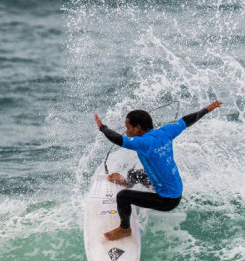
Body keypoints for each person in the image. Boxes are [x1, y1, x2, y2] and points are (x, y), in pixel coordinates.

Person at [94, 100, 223, 240]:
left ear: (138, 128)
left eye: (128, 127)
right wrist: (205, 110)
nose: (126, 131)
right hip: (175, 189)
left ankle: (124, 229)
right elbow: (186, 120)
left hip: (167, 200)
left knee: (122, 196)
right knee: (134, 173)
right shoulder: (165, 131)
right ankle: (127, 182)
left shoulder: (143, 142)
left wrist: (102, 127)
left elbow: (118, 139)